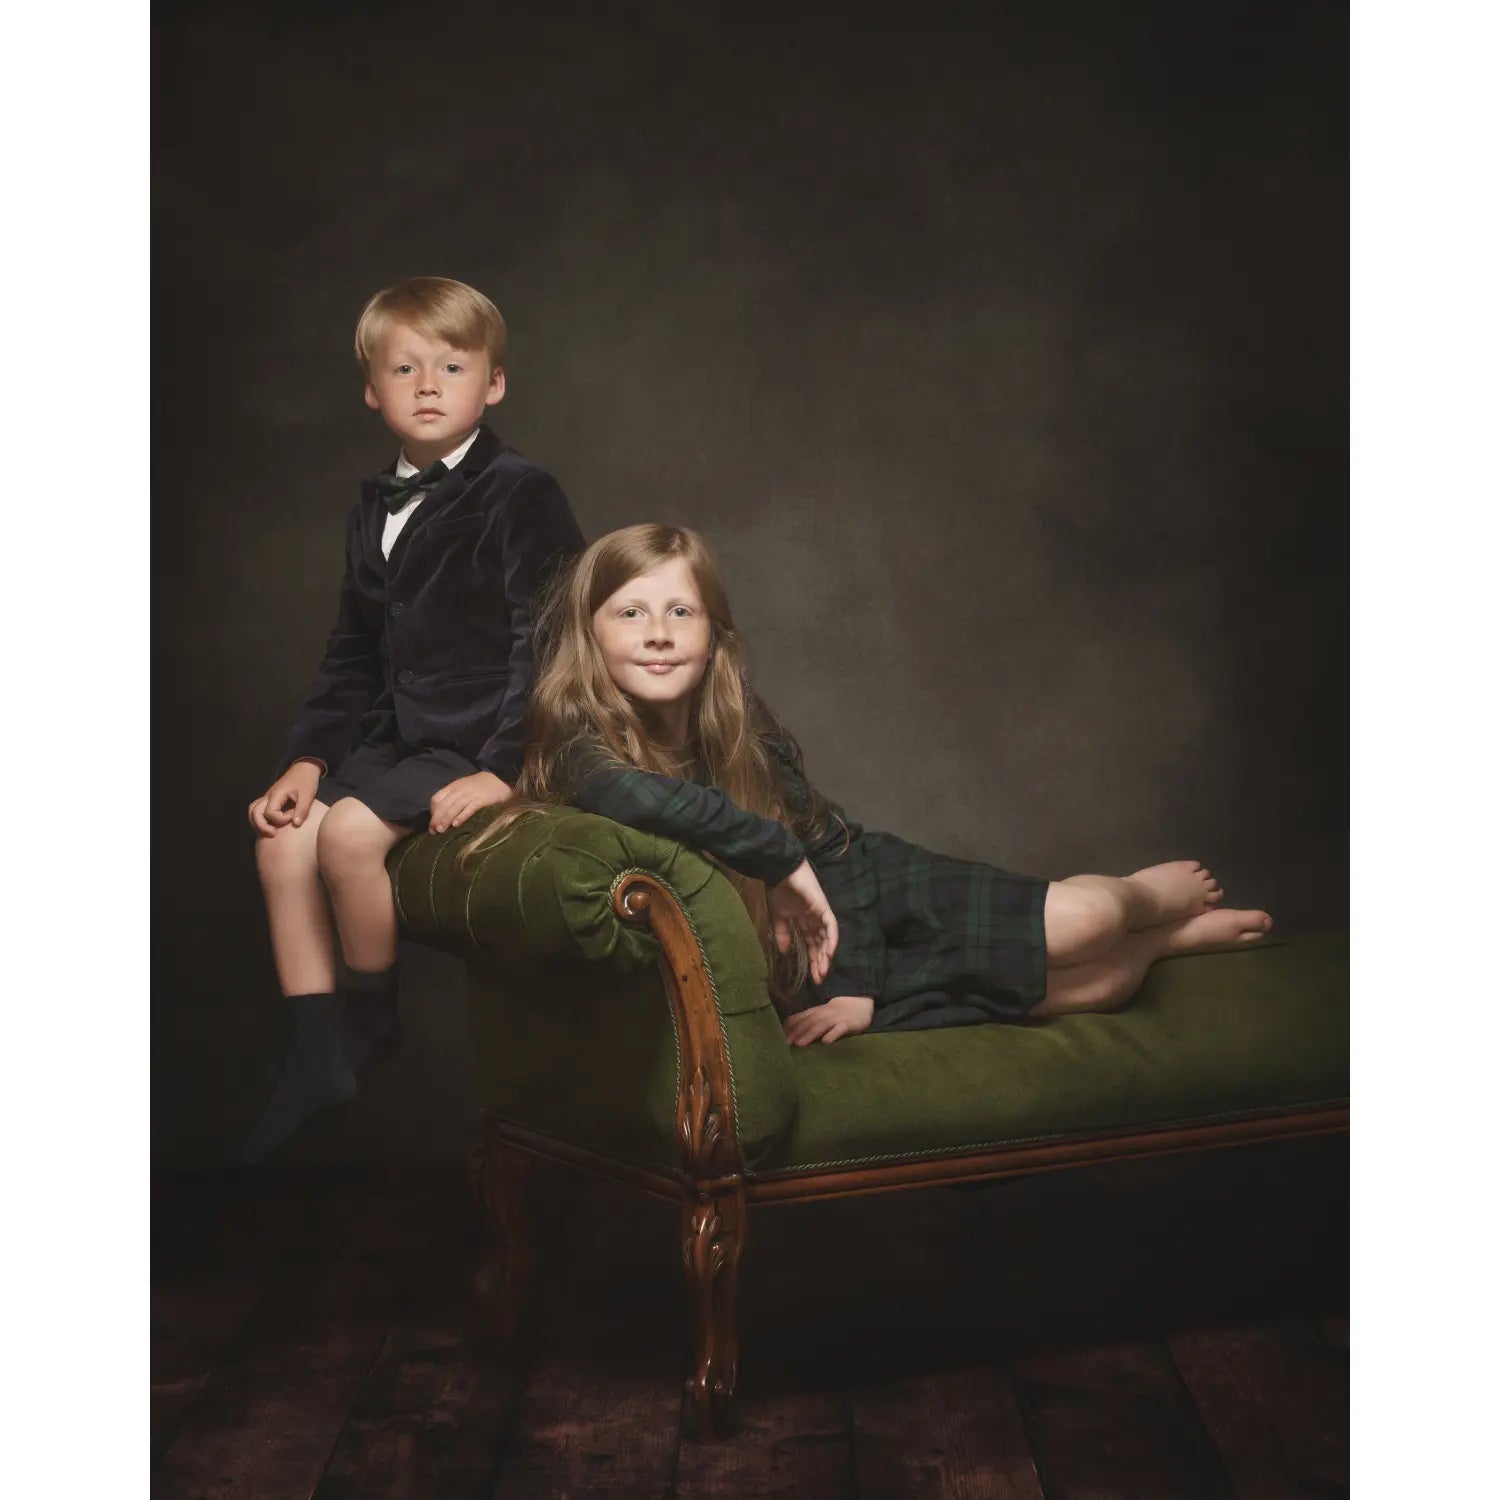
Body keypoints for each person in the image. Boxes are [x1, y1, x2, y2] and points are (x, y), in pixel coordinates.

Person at [464, 524, 1272, 1044]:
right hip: (794, 963)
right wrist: (787, 878)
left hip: (868, 892)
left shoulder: (744, 723)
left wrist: (852, 976)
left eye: (682, 612)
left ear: (714, 636)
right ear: (590, 634)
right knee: (1093, 985)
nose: (659, 635)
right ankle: (1164, 947)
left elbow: (835, 857)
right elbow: (645, 800)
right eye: (630, 613)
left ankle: (1140, 902)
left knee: (1088, 922)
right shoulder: (576, 740)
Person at [243, 277, 585, 1160]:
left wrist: (505, 768)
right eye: (405, 367)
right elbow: (352, 653)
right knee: (282, 840)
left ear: (493, 385)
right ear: (372, 390)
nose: (428, 383)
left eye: (451, 365)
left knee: (349, 837)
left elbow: (549, 646)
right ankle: (316, 1055)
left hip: (479, 735)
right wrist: (308, 762)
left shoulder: (520, 491)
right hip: (400, 735)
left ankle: (370, 1016)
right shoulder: (372, 508)